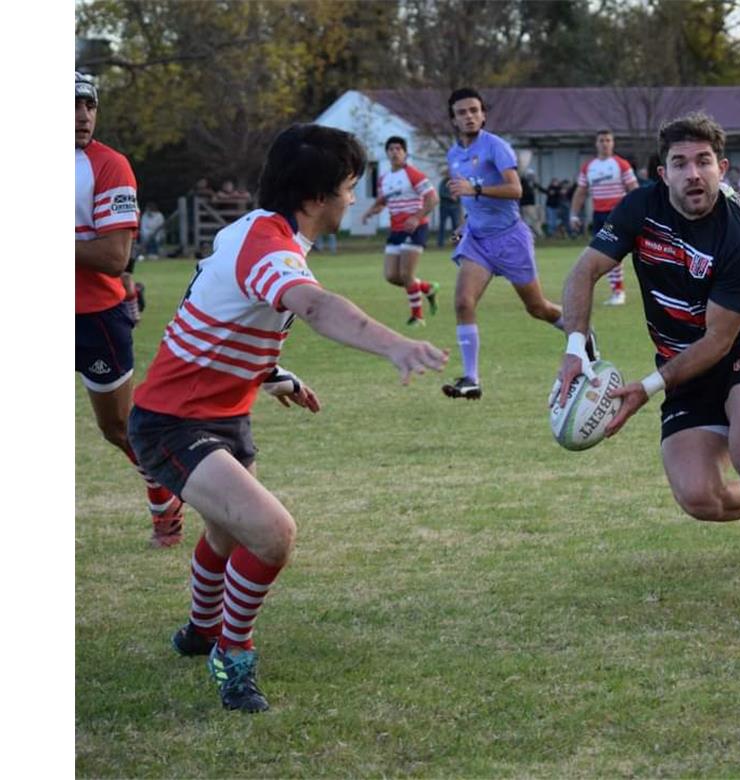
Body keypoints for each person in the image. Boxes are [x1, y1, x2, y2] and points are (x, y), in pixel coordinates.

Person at [128, 123, 450, 713]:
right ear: (314, 198)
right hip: (171, 422)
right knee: (272, 532)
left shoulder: (255, 233)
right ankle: (233, 649)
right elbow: (318, 307)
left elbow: (219, 314)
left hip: (221, 415)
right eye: (348, 188)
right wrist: (394, 346)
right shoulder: (270, 248)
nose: (353, 199)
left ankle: (200, 631)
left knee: (228, 533)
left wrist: (274, 375)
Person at [555, 112, 740, 632]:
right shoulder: (641, 208)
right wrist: (575, 347)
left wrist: (647, 389)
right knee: (699, 498)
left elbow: (718, 340)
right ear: (663, 172)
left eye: (703, 162)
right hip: (683, 369)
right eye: (679, 163)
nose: (693, 174)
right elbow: (584, 271)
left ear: (721, 169)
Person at [75, 72, 184, 547]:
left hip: (93, 315)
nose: (82, 116)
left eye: (88, 105)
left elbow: (114, 257)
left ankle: (165, 500)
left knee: (118, 427)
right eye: (71, 106)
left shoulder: (109, 165)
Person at [443, 87, 571, 400]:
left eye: (474, 110)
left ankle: (580, 333)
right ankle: (471, 379)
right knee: (462, 302)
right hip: (478, 240)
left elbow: (516, 190)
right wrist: (465, 224)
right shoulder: (453, 154)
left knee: (537, 308)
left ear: (483, 114)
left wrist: (475, 190)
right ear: (453, 120)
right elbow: (469, 201)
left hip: (510, 238)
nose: (469, 117)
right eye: (462, 112)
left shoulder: (496, 146)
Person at [360, 136, 441, 325]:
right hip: (396, 230)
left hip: (416, 228)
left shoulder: (413, 174)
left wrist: (416, 217)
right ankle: (428, 287)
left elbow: (432, 199)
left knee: (406, 274)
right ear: (387, 153)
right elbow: (383, 200)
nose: (394, 152)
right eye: (391, 149)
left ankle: (417, 316)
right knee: (391, 276)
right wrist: (370, 211)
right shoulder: (384, 179)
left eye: (398, 149)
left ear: (405, 153)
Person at [570, 129, 639, 306]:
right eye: (602, 140)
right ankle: (617, 291)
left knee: (611, 252)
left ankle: (619, 292)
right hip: (599, 215)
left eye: (608, 140)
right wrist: (573, 215)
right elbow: (581, 192)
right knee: (608, 253)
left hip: (617, 214)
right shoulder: (589, 167)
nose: (605, 143)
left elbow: (634, 189)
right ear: (596, 143)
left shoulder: (621, 164)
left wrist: (639, 211)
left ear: (613, 143)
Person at [436, 165, 461, 248]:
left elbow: (461, 193)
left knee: (456, 226)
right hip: (444, 207)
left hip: (455, 208)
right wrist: (450, 197)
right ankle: (440, 243)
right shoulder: (443, 182)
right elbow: (441, 193)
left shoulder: (457, 182)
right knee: (442, 225)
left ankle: (456, 242)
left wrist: (457, 198)